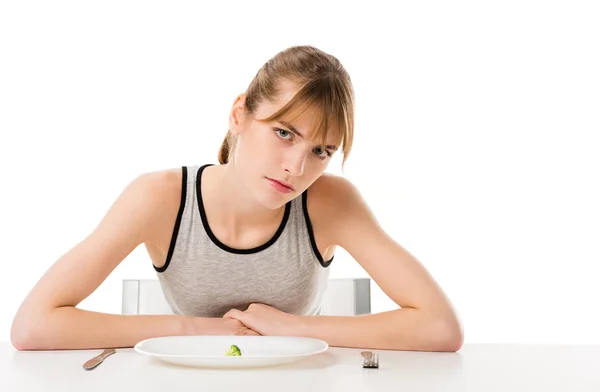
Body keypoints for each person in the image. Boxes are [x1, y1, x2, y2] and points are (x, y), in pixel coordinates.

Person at [11, 45, 463, 352]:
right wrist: (200, 329)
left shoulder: (332, 202)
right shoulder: (160, 197)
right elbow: (33, 325)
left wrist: (294, 329)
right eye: (284, 133)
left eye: (320, 151)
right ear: (239, 114)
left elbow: (440, 327)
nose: (296, 167)